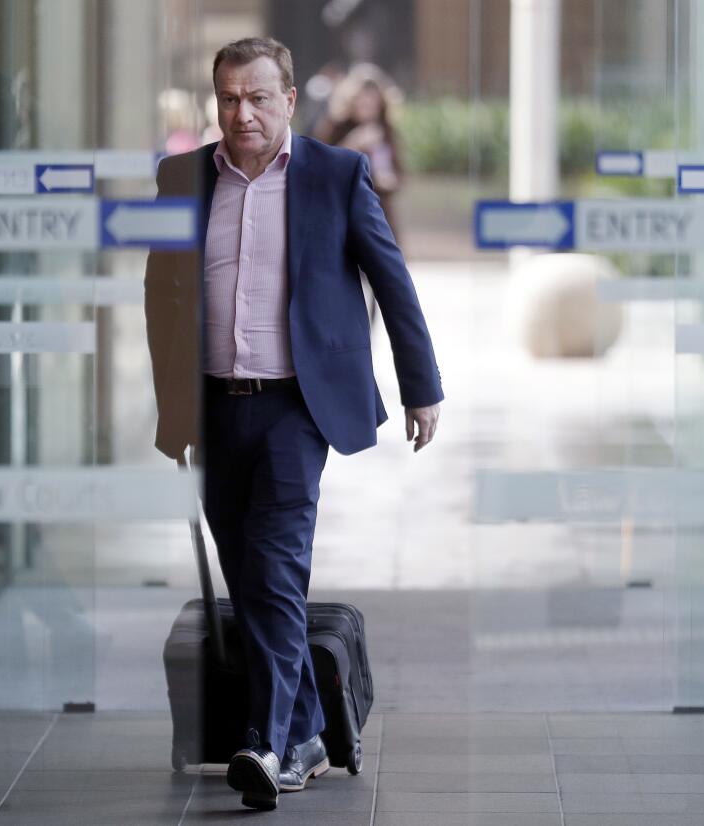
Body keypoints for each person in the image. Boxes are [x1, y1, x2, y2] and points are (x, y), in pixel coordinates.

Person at [144, 37, 442, 811]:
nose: (243, 113)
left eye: (258, 97)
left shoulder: (336, 175)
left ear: (290, 98)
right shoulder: (180, 178)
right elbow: (161, 297)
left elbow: (393, 281)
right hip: (212, 404)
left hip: (295, 407)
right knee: (250, 577)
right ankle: (309, 731)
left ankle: (264, 743)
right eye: (230, 99)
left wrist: (422, 388)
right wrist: (172, 405)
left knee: (274, 567)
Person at [314, 63, 405, 242]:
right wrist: (353, 144)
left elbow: (399, 173)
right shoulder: (335, 127)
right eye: (363, 98)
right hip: (342, 214)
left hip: (379, 216)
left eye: (373, 100)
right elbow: (322, 168)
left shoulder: (386, 131)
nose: (367, 104)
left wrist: (388, 180)